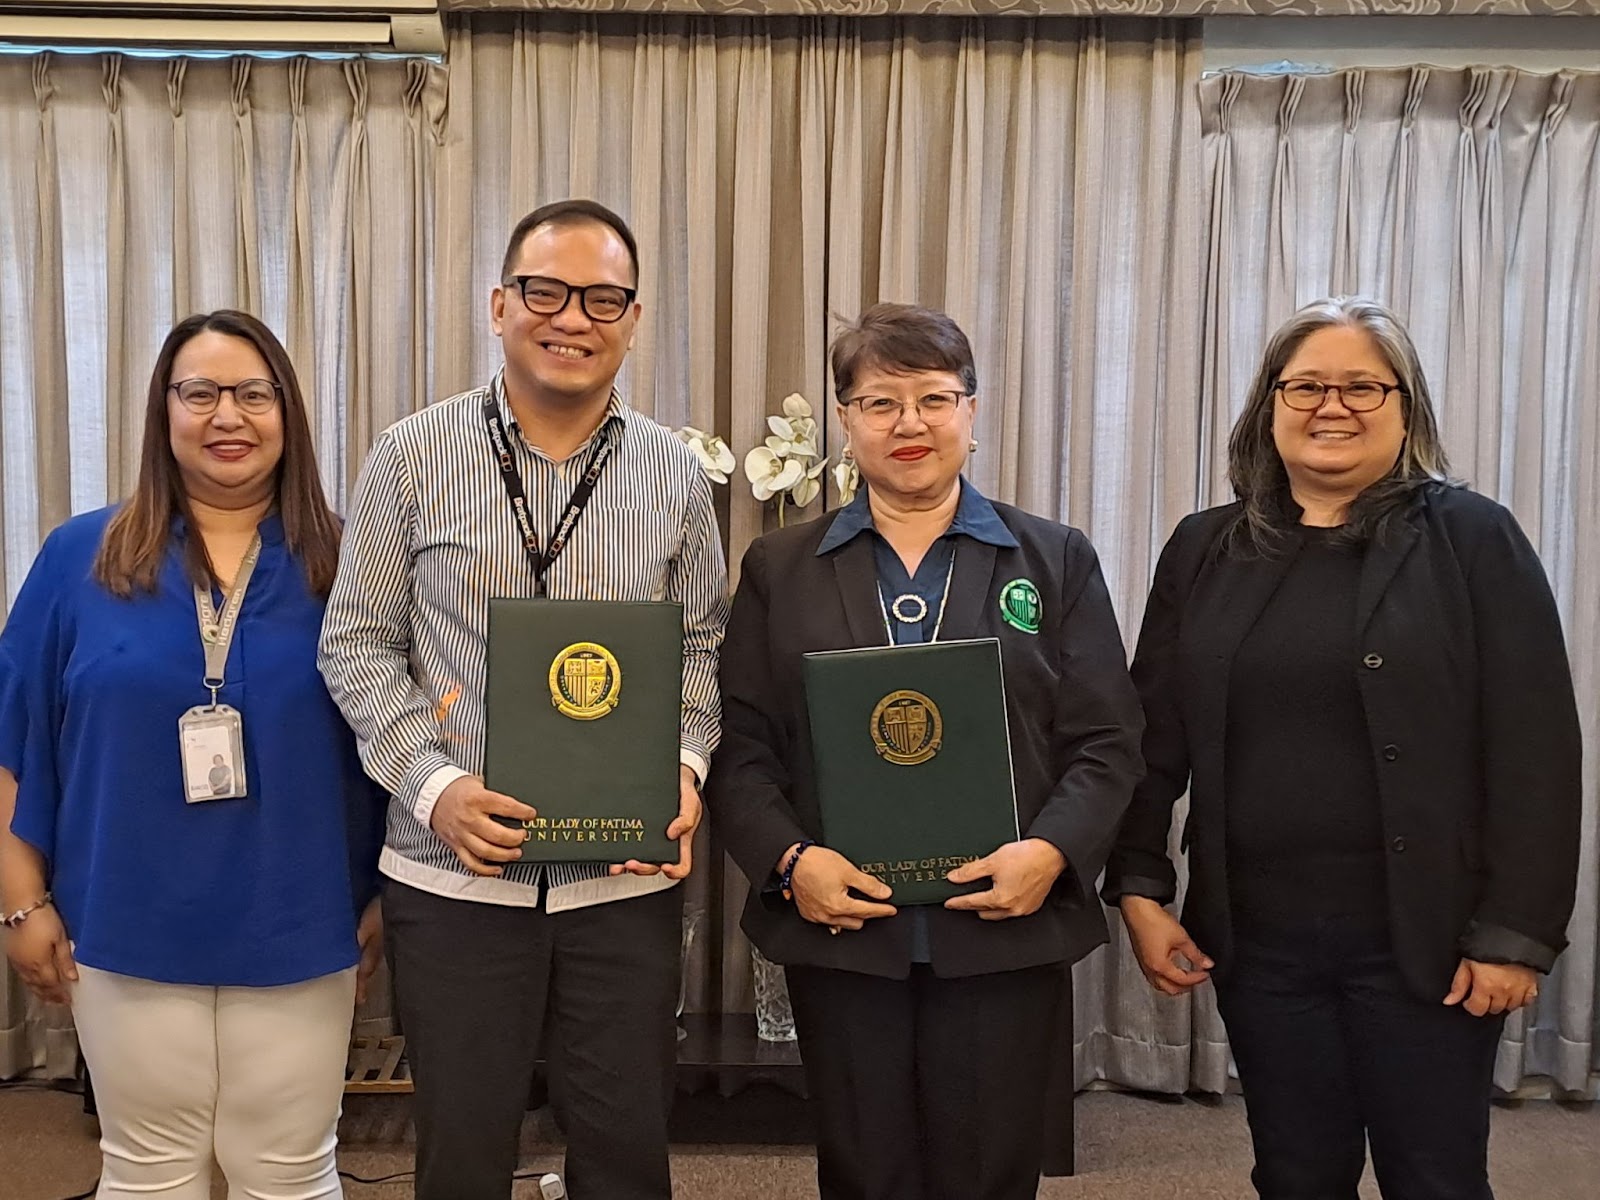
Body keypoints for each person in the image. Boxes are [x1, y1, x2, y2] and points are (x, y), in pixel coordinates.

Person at [1104, 296, 1582, 1200]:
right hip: (1261, 940)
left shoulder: (1473, 540)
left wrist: (1517, 935)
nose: (1333, 406)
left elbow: (1538, 749)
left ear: (1407, 410)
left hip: (1431, 942)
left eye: (1364, 386)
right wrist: (1139, 889)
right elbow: (1150, 735)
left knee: (1434, 1176)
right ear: (1269, 404)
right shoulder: (1206, 548)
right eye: (1308, 385)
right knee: (1295, 1171)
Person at [318, 199, 727, 1200]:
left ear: (633, 320)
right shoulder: (409, 456)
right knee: (460, 1154)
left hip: (621, 880)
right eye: (546, 292)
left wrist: (682, 769)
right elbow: (356, 643)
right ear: (499, 305)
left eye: (602, 298)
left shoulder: (674, 476)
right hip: (452, 878)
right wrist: (435, 785)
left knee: (627, 1151)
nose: (571, 318)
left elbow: (700, 649)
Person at [708, 303, 1143, 1200]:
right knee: (864, 1170)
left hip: (1003, 922)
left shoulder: (1052, 558)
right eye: (879, 402)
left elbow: (1106, 742)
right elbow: (741, 746)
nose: (910, 424)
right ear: (845, 420)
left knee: (989, 1171)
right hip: (845, 928)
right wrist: (791, 864)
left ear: (972, 412)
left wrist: (1052, 854)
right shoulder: (779, 568)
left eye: (934, 399)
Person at [0, 310, 385, 1200]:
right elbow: (14, 738)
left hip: (302, 917)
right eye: (200, 393)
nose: (228, 416)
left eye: (255, 394)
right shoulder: (78, 558)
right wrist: (19, 902)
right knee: (148, 1171)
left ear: (287, 413)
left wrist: (385, 899)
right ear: (162, 413)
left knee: (287, 1171)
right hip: (125, 919)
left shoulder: (350, 557)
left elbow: (398, 736)